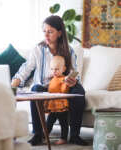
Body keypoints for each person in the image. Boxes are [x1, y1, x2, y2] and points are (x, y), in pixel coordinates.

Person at [11, 15, 88, 146]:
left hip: (62, 86)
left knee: (80, 90)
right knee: (35, 89)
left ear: (59, 33)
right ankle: (37, 134)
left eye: (50, 32)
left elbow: (75, 72)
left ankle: (75, 135)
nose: (46, 35)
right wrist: (14, 82)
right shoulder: (38, 50)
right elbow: (26, 69)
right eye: (44, 31)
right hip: (44, 87)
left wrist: (73, 80)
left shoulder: (68, 50)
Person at [44, 55, 69, 145]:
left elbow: (64, 91)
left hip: (60, 104)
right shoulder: (52, 79)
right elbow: (50, 89)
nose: (54, 71)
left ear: (63, 69)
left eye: (57, 69)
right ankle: (45, 136)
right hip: (52, 105)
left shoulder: (63, 79)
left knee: (63, 122)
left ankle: (64, 138)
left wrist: (66, 83)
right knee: (49, 122)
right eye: (52, 69)